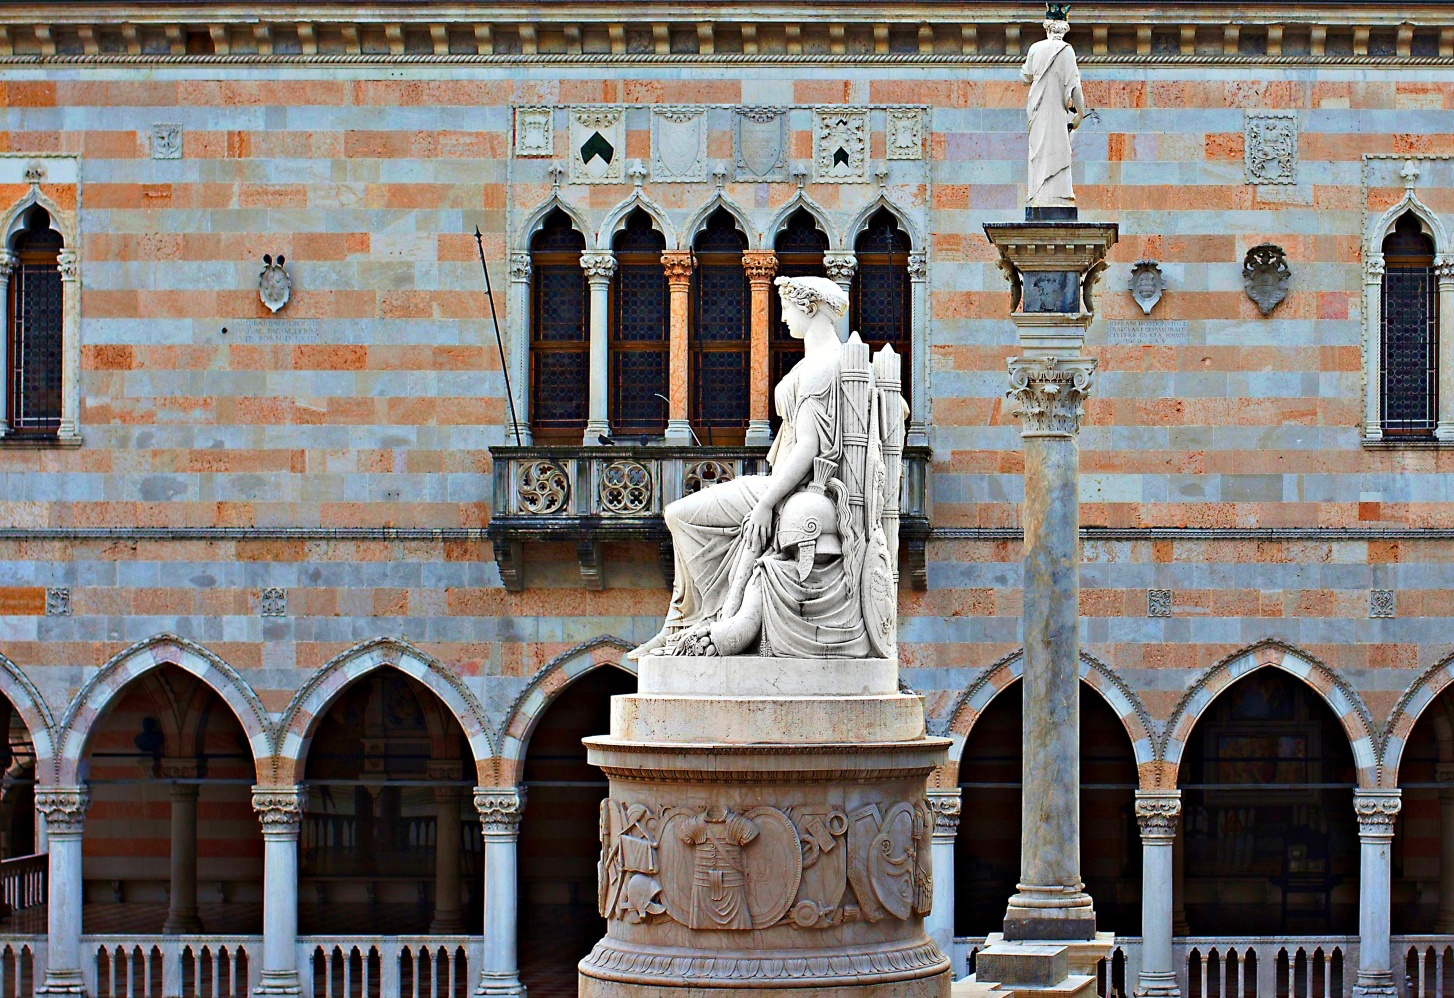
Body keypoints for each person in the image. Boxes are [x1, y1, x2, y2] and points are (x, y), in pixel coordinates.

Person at [628, 275, 848, 660]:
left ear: (811, 309)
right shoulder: (829, 361)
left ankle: (685, 622)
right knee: (681, 516)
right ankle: (684, 622)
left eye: (787, 309)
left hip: (793, 488)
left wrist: (767, 504)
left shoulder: (821, 368)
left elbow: (809, 447)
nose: (782, 319)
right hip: (782, 483)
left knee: (680, 516)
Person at [673, 457, 872, 659]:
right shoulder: (847, 575)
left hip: (782, 485)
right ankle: (682, 617)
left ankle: (693, 616)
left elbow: (743, 628)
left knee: (677, 515)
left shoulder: (769, 573)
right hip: (785, 487)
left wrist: (765, 505)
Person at [1021, 5, 1086, 208]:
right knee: (1059, 149)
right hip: (1057, 111)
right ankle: (1059, 196)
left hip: (1037, 109)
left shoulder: (1035, 49)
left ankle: (1038, 194)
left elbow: (1025, 76)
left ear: (1047, 28)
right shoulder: (1067, 51)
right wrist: (1080, 113)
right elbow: (1075, 87)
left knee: (1038, 152)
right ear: (1063, 29)